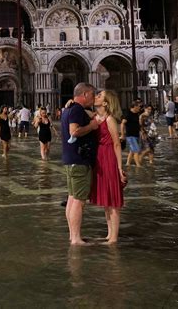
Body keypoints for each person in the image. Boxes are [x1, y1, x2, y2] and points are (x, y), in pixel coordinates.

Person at [61, 82, 99, 245]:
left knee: (72, 199)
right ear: (84, 94)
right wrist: (91, 126)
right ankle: (76, 238)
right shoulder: (76, 109)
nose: (94, 97)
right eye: (92, 94)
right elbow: (74, 131)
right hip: (79, 159)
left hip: (71, 159)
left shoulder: (69, 109)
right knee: (78, 200)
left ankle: (72, 235)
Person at [90, 90, 127, 244]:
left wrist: (119, 168)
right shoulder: (94, 117)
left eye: (99, 96)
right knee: (106, 200)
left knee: (113, 200)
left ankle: (114, 238)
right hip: (99, 158)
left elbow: (117, 144)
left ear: (105, 103)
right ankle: (109, 233)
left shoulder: (110, 119)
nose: (96, 96)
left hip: (109, 158)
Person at [121, 101, 143, 167]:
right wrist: (122, 134)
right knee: (136, 150)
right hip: (130, 135)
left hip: (136, 135)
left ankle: (128, 163)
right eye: (139, 106)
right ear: (135, 106)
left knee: (132, 150)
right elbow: (122, 124)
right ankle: (138, 166)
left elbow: (137, 124)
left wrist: (141, 131)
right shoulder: (128, 114)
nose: (140, 108)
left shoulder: (136, 113)